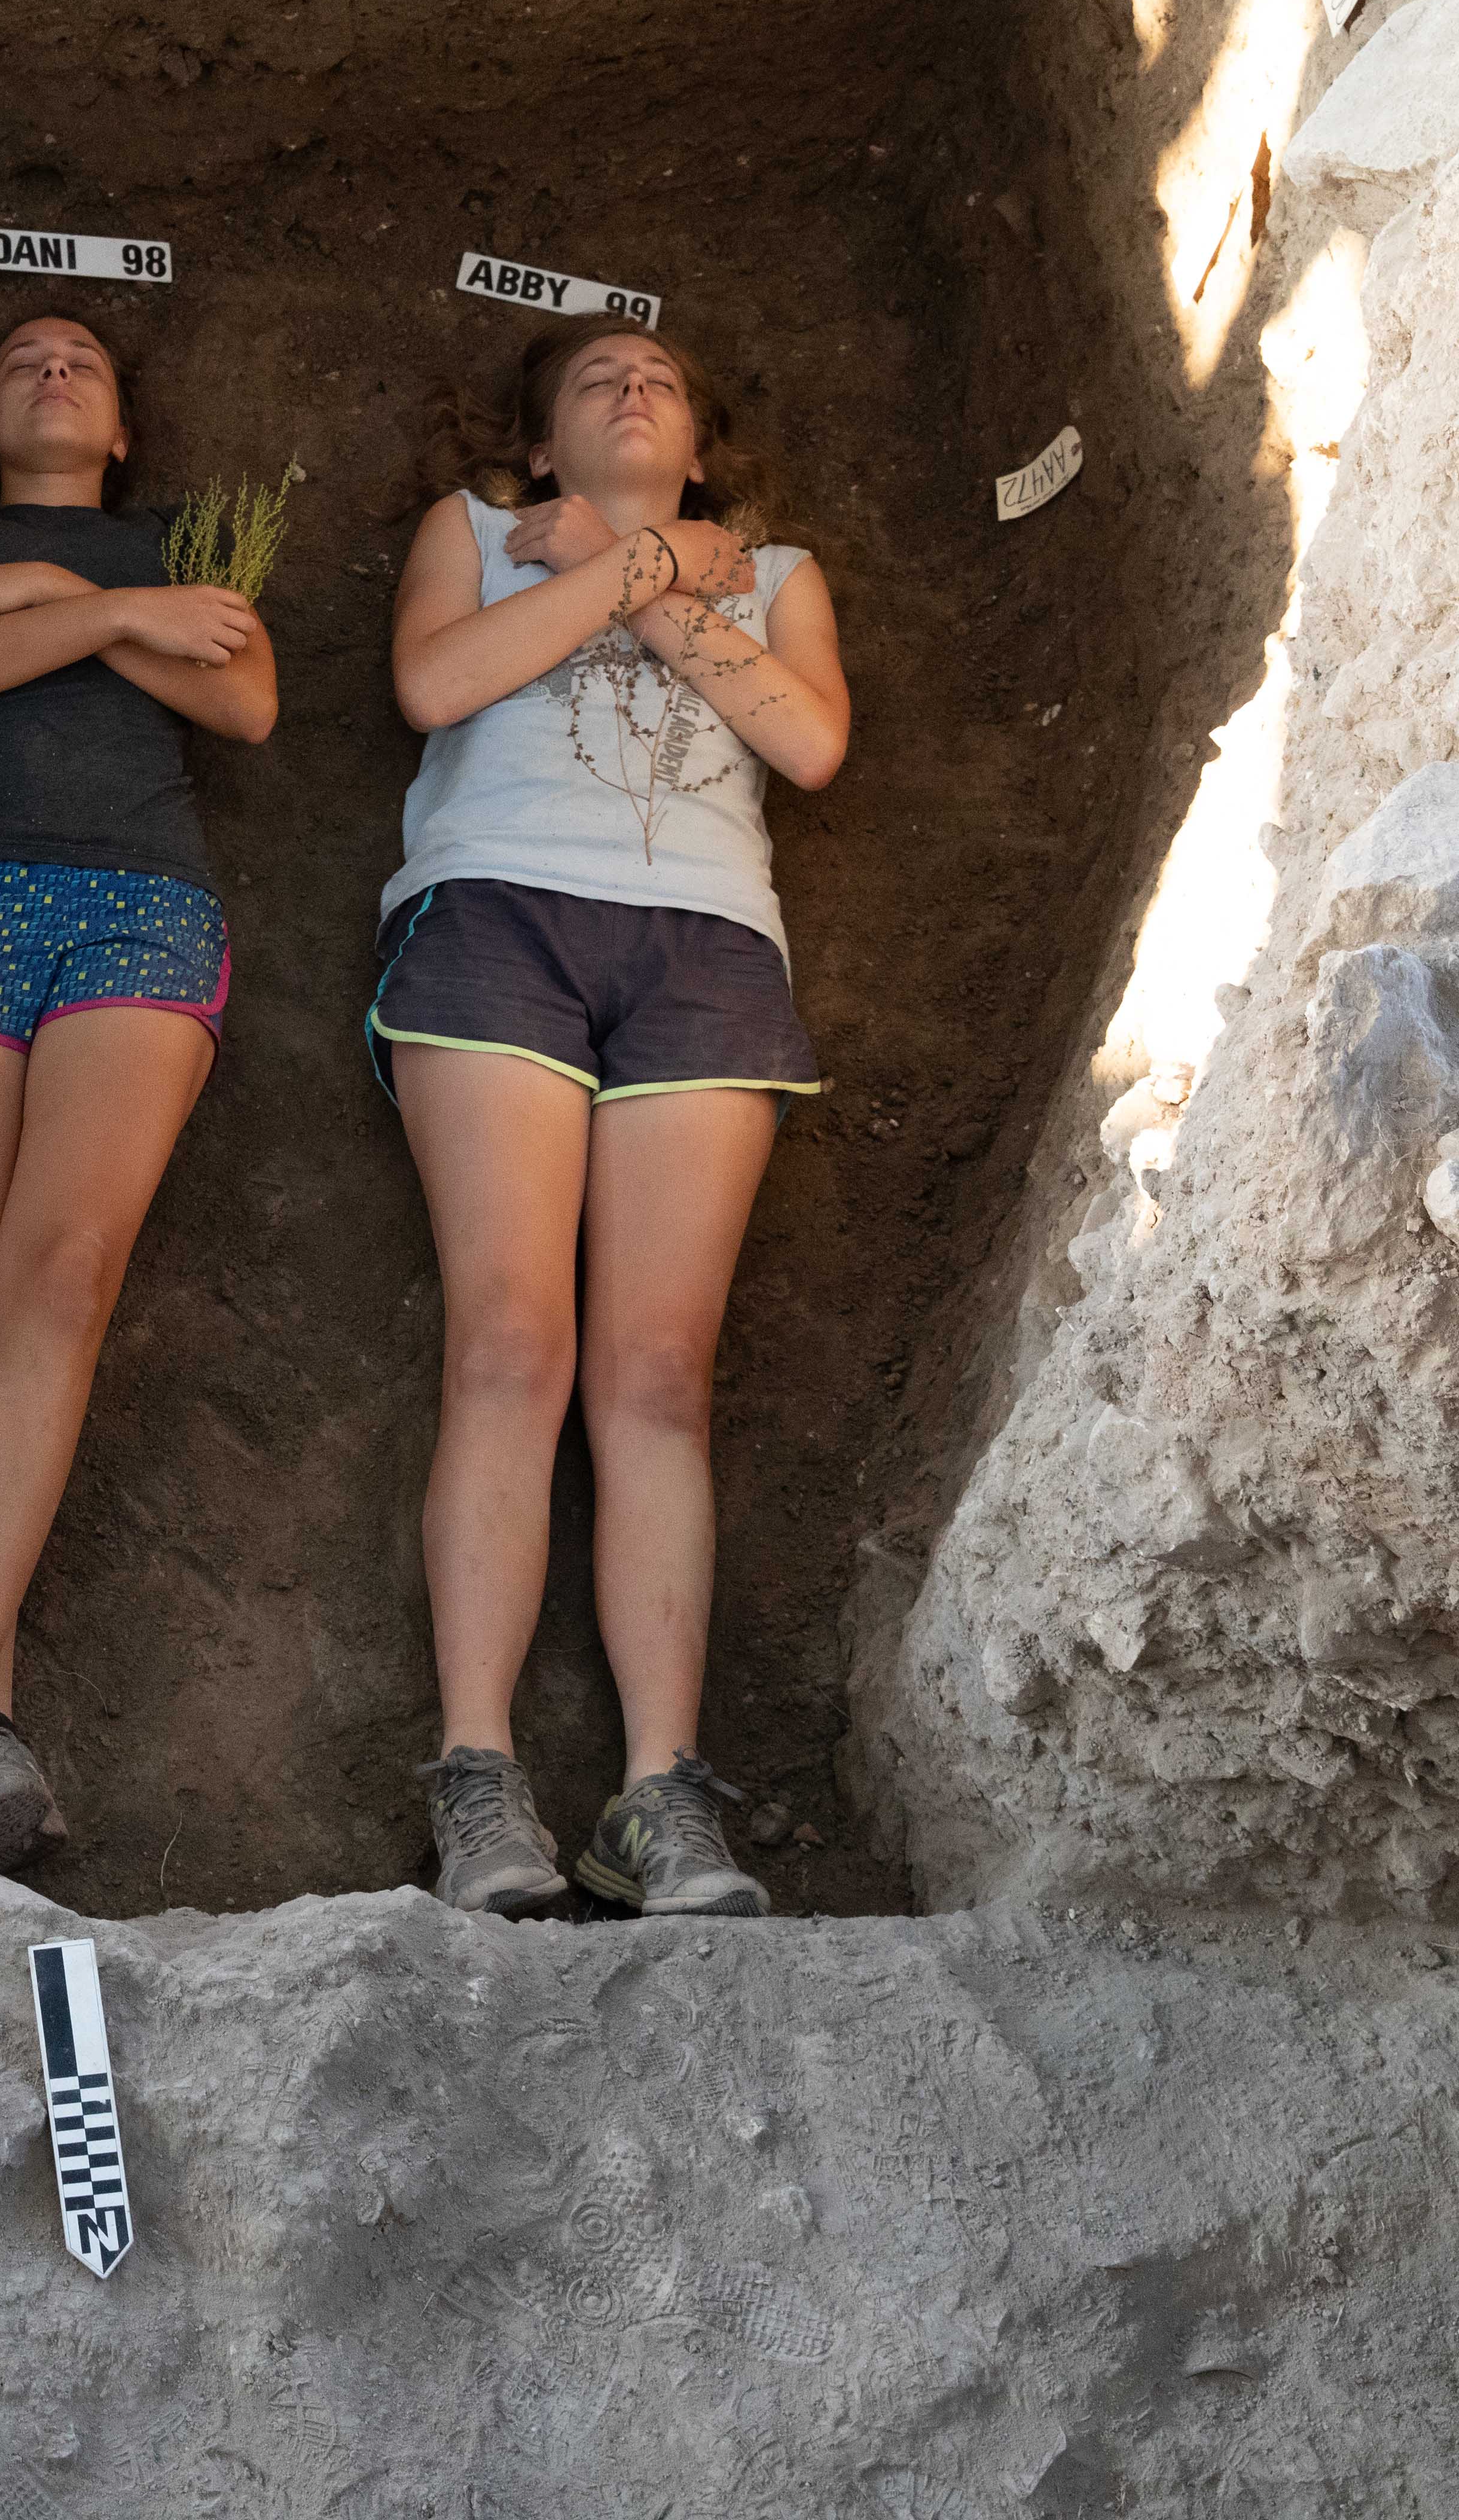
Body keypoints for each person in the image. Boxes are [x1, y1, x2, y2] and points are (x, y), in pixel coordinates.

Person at [376, 318, 849, 1921]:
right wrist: (636, 569)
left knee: (658, 1375)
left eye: (660, 379)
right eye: (595, 378)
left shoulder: (775, 571)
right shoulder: (474, 535)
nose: (633, 385)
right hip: (495, 914)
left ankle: (658, 1795)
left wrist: (633, 567)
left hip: (710, 943)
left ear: (704, 448)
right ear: (536, 446)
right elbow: (436, 679)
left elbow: (809, 738)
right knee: (511, 1343)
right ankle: (477, 1776)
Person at [0, 313, 278, 1878]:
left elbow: (245, 701)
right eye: (20, 356)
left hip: (139, 908)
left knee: (61, 1284)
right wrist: (114, 616)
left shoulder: (192, 547)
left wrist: (36, 601)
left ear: (128, 431)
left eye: (82, 356)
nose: (52, 367)